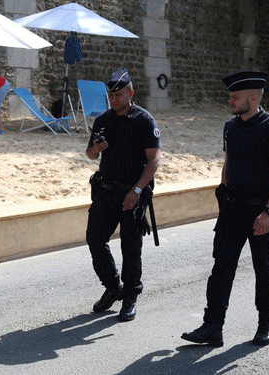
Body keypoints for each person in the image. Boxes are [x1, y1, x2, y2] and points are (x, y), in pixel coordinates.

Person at [181, 71, 269, 347]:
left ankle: (266, 322)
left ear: (253, 98)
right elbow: (228, 162)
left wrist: (268, 212)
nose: (230, 101)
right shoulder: (230, 126)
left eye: (235, 97)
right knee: (221, 269)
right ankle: (212, 327)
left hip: (259, 212)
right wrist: (222, 193)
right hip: (230, 210)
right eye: (230, 96)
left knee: (263, 269)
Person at [85, 68, 161, 322]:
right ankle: (112, 286)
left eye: (118, 95)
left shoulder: (144, 120)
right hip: (105, 191)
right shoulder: (103, 120)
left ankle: (130, 295)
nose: (113, 99)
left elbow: (154, 160)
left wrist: (137, 190)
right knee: (95, 238)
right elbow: (90, 155)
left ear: (131, 93)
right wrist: (95, 148)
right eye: (111, 95)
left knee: (131, 248)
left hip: (132, 193)